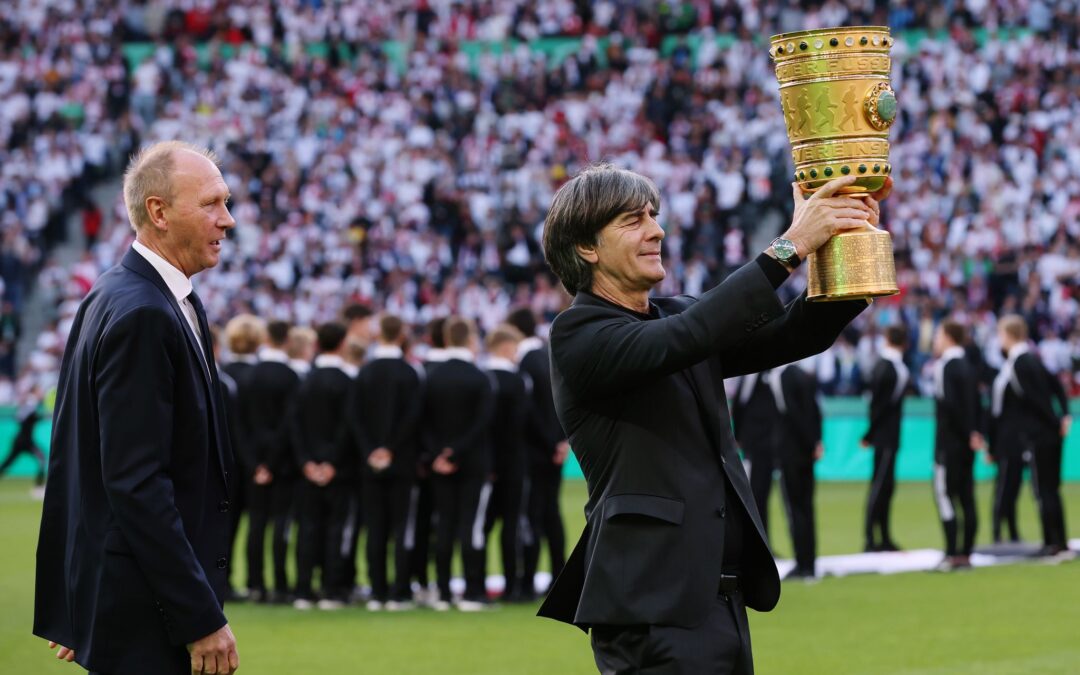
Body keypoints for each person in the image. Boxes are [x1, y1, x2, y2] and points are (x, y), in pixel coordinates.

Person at [537, 165, 883, 674]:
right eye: (633, 220)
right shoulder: (578, 333)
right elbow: (691, 335)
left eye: (654, 216)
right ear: (587, 247)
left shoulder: (676, 316)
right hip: (651, 606)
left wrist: (850, 245)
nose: (656, 230)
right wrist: (789, 245)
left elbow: (794, 334)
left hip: (718, 601)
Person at [33, 141, 240, 674]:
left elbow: (82, 453)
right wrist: (200, 618)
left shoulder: (118, 294)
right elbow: (135, 481)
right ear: (159, 212)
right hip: (153, 618)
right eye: (213, 204)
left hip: (131, 604)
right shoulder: (144, 312)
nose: (228, 220)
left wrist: (77, 597)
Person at [422, 316, 495, 611]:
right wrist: (457, 451)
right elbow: (482, 422)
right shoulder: (481, 378)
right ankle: (472, 591)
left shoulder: (430, 376)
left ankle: (442, 591)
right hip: (472, 461)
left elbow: (422, 420)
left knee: (444, 526)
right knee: (470, 526)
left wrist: (439, 453)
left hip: (440, 464)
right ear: (470, 339)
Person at [352, 314, 424, 611]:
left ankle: (377, 589)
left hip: (370, 462)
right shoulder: (411, 373)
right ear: (401, 334)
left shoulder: (364, 372)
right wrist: (391, 449)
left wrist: (372, 450)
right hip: (402, 461)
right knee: (401, 527)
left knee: (376, 526)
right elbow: (413, 417)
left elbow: (354, 416)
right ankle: (400, 590)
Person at [992, 315, 1072, 556]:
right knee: (1052, 489)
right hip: (1050, 433)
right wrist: (1064, 415)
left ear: (1008, 334)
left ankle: (1051, 543)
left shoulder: (1018, 363)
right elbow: (1056, 385)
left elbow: (1034, 401)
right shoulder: (1033, 359)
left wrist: (1055, 420)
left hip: (1038, 435)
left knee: (1042, 490)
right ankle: (1060, 541)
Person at [291, 321, 356, 610]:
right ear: (342, 344)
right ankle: (332, 588)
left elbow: (295, 425)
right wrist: (331, 462)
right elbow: (348, 427)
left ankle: (303, 589)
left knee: (307, 528)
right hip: (337, 470)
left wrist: (306, 461)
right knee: (334, 529)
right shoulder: (347, 382)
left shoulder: (306, 380)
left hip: (308, 469)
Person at [507, 307, 568, 600]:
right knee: (551, 513)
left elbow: (528, 412)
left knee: (530, 515)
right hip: (554, 449)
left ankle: (526, 580)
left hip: (533, 452)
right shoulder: (549, 355)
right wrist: (561, 441)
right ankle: (559, 576)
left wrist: (547, 443)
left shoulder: (525, 363)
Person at [243, 320, 301, 603]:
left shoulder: (249, 376)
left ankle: (255, 583)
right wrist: (273, 462)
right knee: (280, 524)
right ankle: (279, 583)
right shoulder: (292, 377)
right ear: (287, 340)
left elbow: (239, 425)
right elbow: (290, 425)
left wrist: (255, 464)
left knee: (256, 524)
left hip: (254, 465)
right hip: (283, 465)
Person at [483, 323, 532, 601]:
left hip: (486, 465)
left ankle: (474, 581)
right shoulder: (518, 381)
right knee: (512, 525)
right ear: (505, 347)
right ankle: (512, 585)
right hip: (514, 462)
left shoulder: (483, 377)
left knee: (482, 525)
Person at [221, 314, 266, 600]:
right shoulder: (262, 376)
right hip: (259, 463)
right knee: (259, 525)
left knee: (224, 527)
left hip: (224, 463)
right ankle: (256, 580)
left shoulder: (219, 374)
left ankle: (223, 582)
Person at [932, 320, 983, 571]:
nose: (935, 340)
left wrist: (964, 432)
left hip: (949, 443)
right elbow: (976, 403)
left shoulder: (944, 366)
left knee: (945, 496)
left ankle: (952, 553)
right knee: (967, 497)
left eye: (938, 335)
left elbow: (950, 405)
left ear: (949, 337)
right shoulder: (969, 366)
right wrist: (975, 433)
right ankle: (966, 552)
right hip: (967, 443)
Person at [771, 362, 825, 580]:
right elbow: (815, 409)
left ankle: (802, 563)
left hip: (791, 452)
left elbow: (792, 413)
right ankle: (809, 562)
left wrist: (810, 441)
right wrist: (816, 441)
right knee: (807, 508)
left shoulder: (781, 376)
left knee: (794, 509)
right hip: (805, 452)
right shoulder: (803, 374)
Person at [861, 325, 910, 552]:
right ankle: (872, 538)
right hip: (886, 435)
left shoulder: (888, 366)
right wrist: (870, 433)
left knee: (884, 486)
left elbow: (876, 404)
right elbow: (880, 405)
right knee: (881, 485)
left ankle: (881, 536)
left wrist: (870, 432)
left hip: (885, 434)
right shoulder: (893, 367)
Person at [0, 383, 46, 487]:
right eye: (39, 390)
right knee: (42, 458)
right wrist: (37, 417)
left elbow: (22, 418)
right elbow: (21, 418)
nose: (41, 392)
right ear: (34, 391)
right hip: (24, 440)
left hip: (23, 440)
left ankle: (39, 484)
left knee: (8, 462)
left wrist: (36, 418)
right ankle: (39, 486)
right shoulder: (31, 402)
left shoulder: (31, 403)